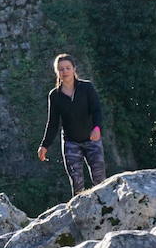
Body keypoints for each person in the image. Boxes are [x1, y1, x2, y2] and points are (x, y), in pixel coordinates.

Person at [37, 53, 106, 197]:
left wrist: (97, 128)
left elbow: (96, 110)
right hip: (71, 143)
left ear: (74, 69)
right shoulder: (54, 95)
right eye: (61, 69)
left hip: (92, 140)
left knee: (100, 181)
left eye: (68, 68)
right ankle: (81, 215)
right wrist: (44, 145)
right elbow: (53, 122)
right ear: (57, 72)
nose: (65, 71)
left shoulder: (86, 87)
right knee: (77, 183)